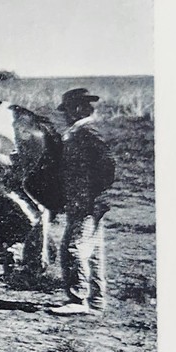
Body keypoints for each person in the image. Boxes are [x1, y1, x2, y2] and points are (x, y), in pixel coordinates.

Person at [49, 87, 116, 316]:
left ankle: (78, 298)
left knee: (74, 248)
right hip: (91, 202)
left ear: (77, 108)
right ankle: (96, 302)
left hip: (85, 203)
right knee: (93, 252)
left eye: (67, 110)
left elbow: (107, 166)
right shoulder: (85, 130)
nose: (65, 115)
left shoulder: (86, 132)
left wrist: (88, 194)